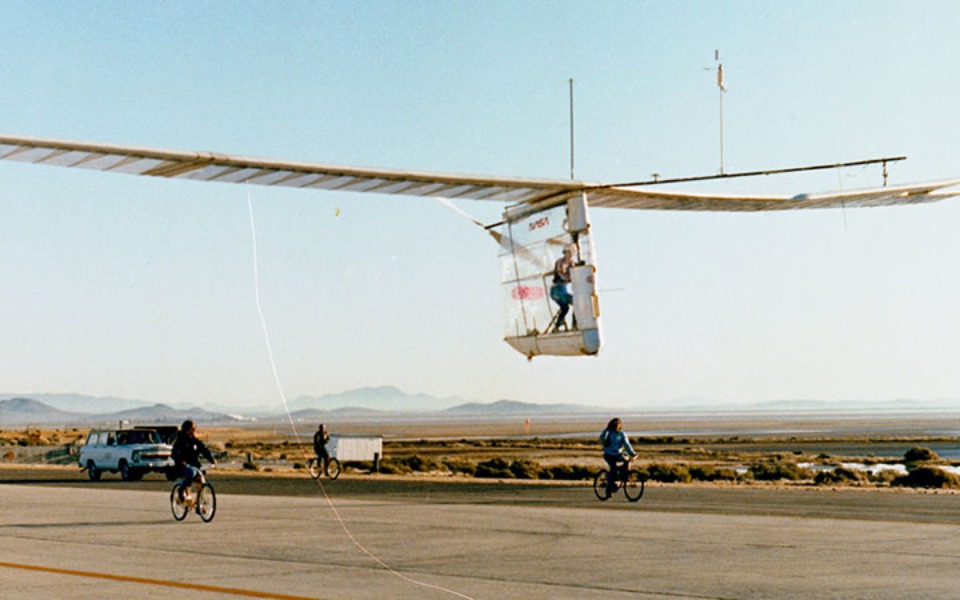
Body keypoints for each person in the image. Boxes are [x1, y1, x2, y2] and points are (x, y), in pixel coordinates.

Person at [172, 419, 216, 500]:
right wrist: (181, 461)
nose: (194, 431)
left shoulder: (195, 441)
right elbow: (175, 453)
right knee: (191, 473)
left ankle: (199, 501)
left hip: (195, 466)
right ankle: (182, 489)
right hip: (182, 467)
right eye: (192, 429)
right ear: (187, 429)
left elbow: (204, 450)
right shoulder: (180, 441)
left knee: (201, 480)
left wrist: (211, 459)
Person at [599, 418, 636, 497]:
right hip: (609, 454)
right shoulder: (608, 433)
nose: (617, 427)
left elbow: (627, 444)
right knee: (613, 469)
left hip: (618, 454)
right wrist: (607, 430)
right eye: (615, 425)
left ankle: (623, 477)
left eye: (618, 425)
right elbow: (602, 438)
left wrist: (633, 454)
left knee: (627, 461)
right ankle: (609, 489)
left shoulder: (622, 434)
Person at [550, 245, 575, 332]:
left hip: (563, 290)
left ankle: (561, 325)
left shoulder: (572, 263)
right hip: (557, 290)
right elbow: (561, 274)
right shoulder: (560, 262)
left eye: (571, 253)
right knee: (573, 304)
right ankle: (561, 325)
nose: (570, 255)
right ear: (565, 253)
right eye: (568, 252)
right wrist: (570, 278)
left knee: (568, 307)